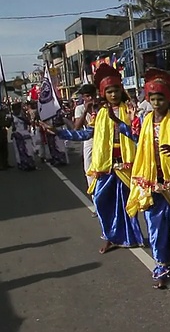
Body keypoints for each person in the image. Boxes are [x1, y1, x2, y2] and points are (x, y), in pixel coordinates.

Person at [48, 64, 144, 254]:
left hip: (126, 165)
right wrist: (59, 132)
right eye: (109, 91)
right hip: (105, 167)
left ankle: (130, 236)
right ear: (104, 94)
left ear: (121, 90)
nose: (114, 94)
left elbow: (138, 136)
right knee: (101, 201)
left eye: (116, 90)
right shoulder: (100, 115)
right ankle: (109, 236)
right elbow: (85, 134)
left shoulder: (131, 111)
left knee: (127, 204)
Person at [121, 68, 170, 289]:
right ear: (148, 100)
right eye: (153, 98)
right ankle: (160, 267)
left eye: (160, 98)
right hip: (149, 181)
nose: (157, 102)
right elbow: (134, 140)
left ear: (168, 99)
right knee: (154, 226)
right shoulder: (142, 122)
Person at [73, 84, 98, 189]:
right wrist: (85, 111)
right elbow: (77, 127)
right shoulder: (79, 108)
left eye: (92, 95)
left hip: (102, 139)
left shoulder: (101, 106)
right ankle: (93, 190)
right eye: (87, 96)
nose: (90, 98)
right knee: (89, 167)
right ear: (83, 97)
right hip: (89, 140)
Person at [10, 102, 37, 171]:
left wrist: (24, 118)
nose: (18, 110)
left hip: (25, 133)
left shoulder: (23, 115)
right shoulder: (11, 116)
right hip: (17, 135)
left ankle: (30, 163)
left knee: (28, 149)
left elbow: (28, 122)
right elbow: (8, 125)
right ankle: (21, 164)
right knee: (19, 150)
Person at [0, 102, 11, 170]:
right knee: (1, 148)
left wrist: (9, 121)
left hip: (3, 131)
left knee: (5, 148)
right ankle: (1, 164)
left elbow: (6, 123)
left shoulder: (3, 112)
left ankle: (5, 163)